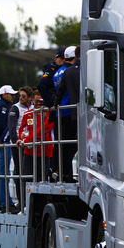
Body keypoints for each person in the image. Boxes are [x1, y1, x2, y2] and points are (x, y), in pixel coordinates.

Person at [55, 46, 80, 182]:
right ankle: (67, 174)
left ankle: (64, 174)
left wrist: (54, 105)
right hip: (72, 111)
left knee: (64, 144)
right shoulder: (69, 70)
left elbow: (59, 91)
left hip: (62, 111)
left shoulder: (58, 72)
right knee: (72, 144)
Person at [7, 86, 33, 211]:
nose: (20, 98)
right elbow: (12, 129)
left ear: (30, 98)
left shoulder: (34, 108)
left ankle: (31, 202)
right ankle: (22, 202)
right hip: (19, 146)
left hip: (32, 145)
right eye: (20, 96)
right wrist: (16, 142)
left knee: (32, 174)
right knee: (20, 174)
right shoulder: (15, 108)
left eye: (23, 96)